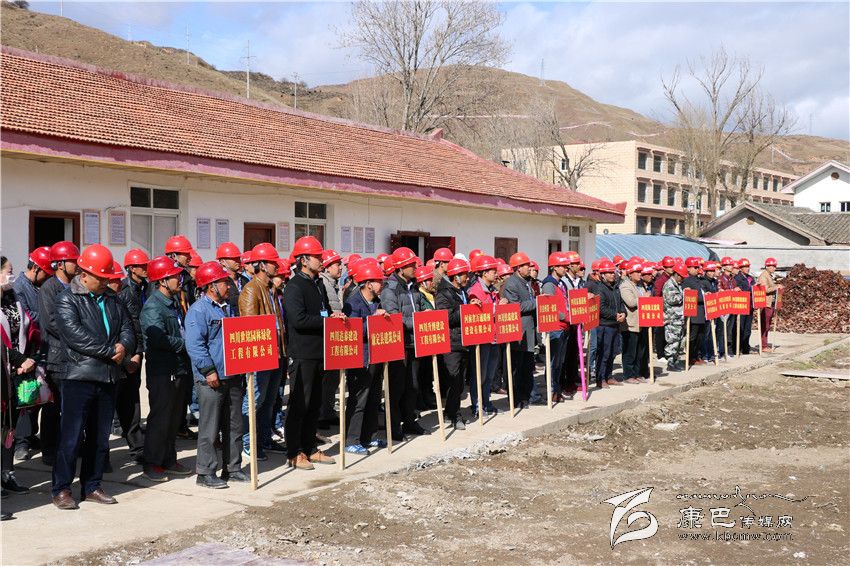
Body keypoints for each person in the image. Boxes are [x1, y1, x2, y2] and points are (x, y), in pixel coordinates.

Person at [52, 245, 135, 509]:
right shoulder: (67, 299)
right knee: (71, 437)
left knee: (100, 439)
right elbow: (75, 336)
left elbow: (128, 328)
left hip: (108, 376)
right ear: (85, 274)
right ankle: (62, 489)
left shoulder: (112, 298)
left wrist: (124, 346)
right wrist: (111, 351)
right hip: (79, 376)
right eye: (101, 277)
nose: (105, 282)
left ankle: (92, 485)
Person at [185, 261, 247, 488]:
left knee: (234, 425)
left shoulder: (229, 307)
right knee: (210, 428)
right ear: (211, 286)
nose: (228, 286)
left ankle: (233, 467)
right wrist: (209, 371)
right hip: (211, 378)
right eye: (223, 283)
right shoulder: (198, 310)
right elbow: (195, 345)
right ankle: (205, 472)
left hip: (232, 374)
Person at [283, 236, 339, 470]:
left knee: (315, 403)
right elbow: (299, 320)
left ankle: (310, 447)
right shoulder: (294, 286)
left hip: (319, 352)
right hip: (303, 353)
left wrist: (331, 317)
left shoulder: (318, 284)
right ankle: (294, 451)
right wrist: (326, 320)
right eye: (317, 257)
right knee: (300, 404)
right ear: (304, 260)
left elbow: (322, 311)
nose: (321, 260)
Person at [137, 256, 194, 482]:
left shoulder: (173, 302)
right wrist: (186, 344)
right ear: (162, 281)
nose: (179, 280)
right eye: (174, 277)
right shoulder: (153, 306)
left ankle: (168, 459)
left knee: (173, 418)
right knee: (160, 418)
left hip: (178, 368)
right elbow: (159, 339)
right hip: (163, 371)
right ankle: (152, 462)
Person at [34, 240, 81, 466]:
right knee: (53, 407)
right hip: (55, 355)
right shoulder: (49, 288)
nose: (77, 265)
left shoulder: (76, 286)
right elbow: (51, 323)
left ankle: (70, 445)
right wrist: (79, 333)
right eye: (73, 261)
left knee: (71, 406)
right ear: (60, 264)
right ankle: (49, 449)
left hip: (74, 355)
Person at [238, 243, 286, 460]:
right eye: (273, 263)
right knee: (254, 400)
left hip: (276, 353)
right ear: (262, 265)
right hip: (261, 355)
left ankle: (265, 438)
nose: (277, 266)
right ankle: (248, 442)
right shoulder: (251, 290)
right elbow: (250, 327)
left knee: (269, 400)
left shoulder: (271, 290)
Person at [380, 247, 431, 439]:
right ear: (400, 268)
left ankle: (410, 421)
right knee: (396, 388)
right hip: (398, 345)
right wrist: (418, 322)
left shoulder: (414, 287)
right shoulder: (390, 289)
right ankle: (394, 426)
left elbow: (422, 307)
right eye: (411, 265)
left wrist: (426, 315)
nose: (415, 268)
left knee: (412, 387)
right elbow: (394, 319)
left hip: (414, 343)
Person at [342, 259, 389, 453]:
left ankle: (369, 436)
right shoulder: (353, 303)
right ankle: (351, 440)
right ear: (368, 284)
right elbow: (353, 331)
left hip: (376, 356)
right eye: (379, 281)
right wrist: (373, 321)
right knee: (358, 401)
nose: (382, 284)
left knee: (373, 399)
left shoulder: (376, 301)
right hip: (360, 359)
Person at [2, 272, 37, 504]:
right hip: (6, 368)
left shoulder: (13, 298)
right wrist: (18, 360)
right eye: (7, 271)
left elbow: (28, 328)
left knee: (10, 427)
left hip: (18, 371)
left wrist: (27, 359)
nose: (11, 275)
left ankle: (7, 474)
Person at [435, 259, 479, 428]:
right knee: (454, 381)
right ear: (456, 276)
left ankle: (450, 412)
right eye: (464, 275)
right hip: (452, 343)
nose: (467, 278)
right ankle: (455, 415)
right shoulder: (443, 293)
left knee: (460, 382)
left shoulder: (463, 292)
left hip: (464, 341)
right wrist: (466, 310)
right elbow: (445, 317)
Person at [500, 252, 539, 406]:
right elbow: (516, 306)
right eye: (526, 266)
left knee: (527, 367)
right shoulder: (511, 284)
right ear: (518, 268)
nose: (529, 268)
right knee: (515, 368)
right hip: (519, 332)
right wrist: (536, 303)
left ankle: (525, 396)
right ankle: (515, 398)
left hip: (529, 331)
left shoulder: (527, 282)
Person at [318, 249, 344, 430]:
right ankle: (322, 414)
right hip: (327, 335)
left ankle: (328, 411)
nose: (340, 267)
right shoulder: (324, 284)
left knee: (333, 379)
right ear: (327, 267)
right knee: (326, 380)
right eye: (337, 264)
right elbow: (324, 309)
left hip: (335, 335)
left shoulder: (334, 284)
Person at [539, 252, 570, 402]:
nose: (565, 269)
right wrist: (565, 316)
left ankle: (557, 389)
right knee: (552, 362)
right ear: (554, 267)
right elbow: (549, 308)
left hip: (564, 327)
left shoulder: (561, 284)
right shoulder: (549, 285)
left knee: (559, 363)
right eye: (562, 266)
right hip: (555, 328)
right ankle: (551, 390)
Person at [595, 260, 625, 387]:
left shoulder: (616, 288)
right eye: (609, 273)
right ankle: (600, 378)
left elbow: (621, 303)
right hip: (604, 325)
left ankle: (609, 376)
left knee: (613, 352)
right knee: (604, 353)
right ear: (603, 275)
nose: (612, 275)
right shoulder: (600, 289)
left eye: (613, 272)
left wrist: (623, 313)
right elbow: (601, 308)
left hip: (615, 325)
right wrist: (615, 315)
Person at [561, 251, 586, 396]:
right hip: (568, 321)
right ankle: (565, 383)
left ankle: (572, 380)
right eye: (576, 264)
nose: (579, 266)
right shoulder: (564, 282)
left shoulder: (579, 281)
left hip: (577, 321)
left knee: (574, 353)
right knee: (566, 354)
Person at [619, 261, 646, 384]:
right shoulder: (625, 286)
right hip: (630, 324)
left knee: (639, 351)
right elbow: (630, 302)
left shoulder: (640, 286)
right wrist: (644, 298)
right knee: (630, 351)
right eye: (637, 272)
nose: (640, 274)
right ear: (630, 274)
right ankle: (628, 375)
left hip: (641, 323)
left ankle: (637, 373)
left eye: (640, 272)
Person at [682, 257, 709, 366]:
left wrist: (706, 295)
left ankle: (696, 356)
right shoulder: (687, 281)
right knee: (692, 336)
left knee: (700, 336)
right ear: (688, 268)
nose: (697, 269)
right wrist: (704, 297)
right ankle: (690, 357)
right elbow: (689, 296)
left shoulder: (698, 280)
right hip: (694, 313)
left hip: (701, 312)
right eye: (695, 267)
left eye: (698, 267)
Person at [663, 264, 688, 371]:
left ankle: (675, 361)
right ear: (676, 274)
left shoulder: (677, 285)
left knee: (679, 341)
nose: (683, 279)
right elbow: (671, 299)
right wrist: (684, 295)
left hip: (678, 318)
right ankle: (670, 362)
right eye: (682, 277)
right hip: (672, 319)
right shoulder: (669, 285)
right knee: (672, 341)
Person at [216, 242, 250, 316]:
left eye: (238, 258)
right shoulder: (220, 283)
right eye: (233, 258)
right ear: (222, 262)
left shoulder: (245, 280)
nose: (238, 261)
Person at [757, 258, 782, 352]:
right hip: (765, 303)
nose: (774, 268)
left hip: (770, 303)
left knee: (767, 325)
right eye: (772, 266)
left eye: (774, 266)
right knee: (765, 325)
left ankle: (765, 344)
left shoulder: (769, 276)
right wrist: (776, 287)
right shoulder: (764, 276)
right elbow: (765, 289)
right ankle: (763, 345)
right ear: (767, 266)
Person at [734, 258, 756, 354]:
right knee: (740, 328)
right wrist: (751, 289)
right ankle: (737, 347)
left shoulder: (751, 278)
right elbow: (743, 289)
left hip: (750, 306)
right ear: (740, 268)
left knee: (747, 329)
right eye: (745, 267)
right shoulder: (737, 278)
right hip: (741, 306)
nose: (747, 268)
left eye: (748, 266)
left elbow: (754, 289)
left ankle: (746, 347)